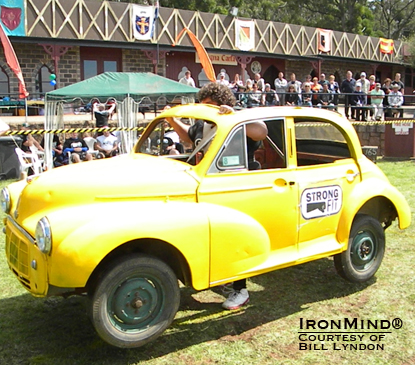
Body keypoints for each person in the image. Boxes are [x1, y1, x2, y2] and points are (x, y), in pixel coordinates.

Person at [166, 82, 268, 310]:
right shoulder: (204, 125)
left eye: (211, 105)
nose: (207, 110)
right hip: (209, 184)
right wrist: (172, 120)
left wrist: (234, 116)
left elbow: (261, 131)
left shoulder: (235, 120)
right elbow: (188, 139)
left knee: (236, 238)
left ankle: (240, 289)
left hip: (237, 186)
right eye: (204, 106)